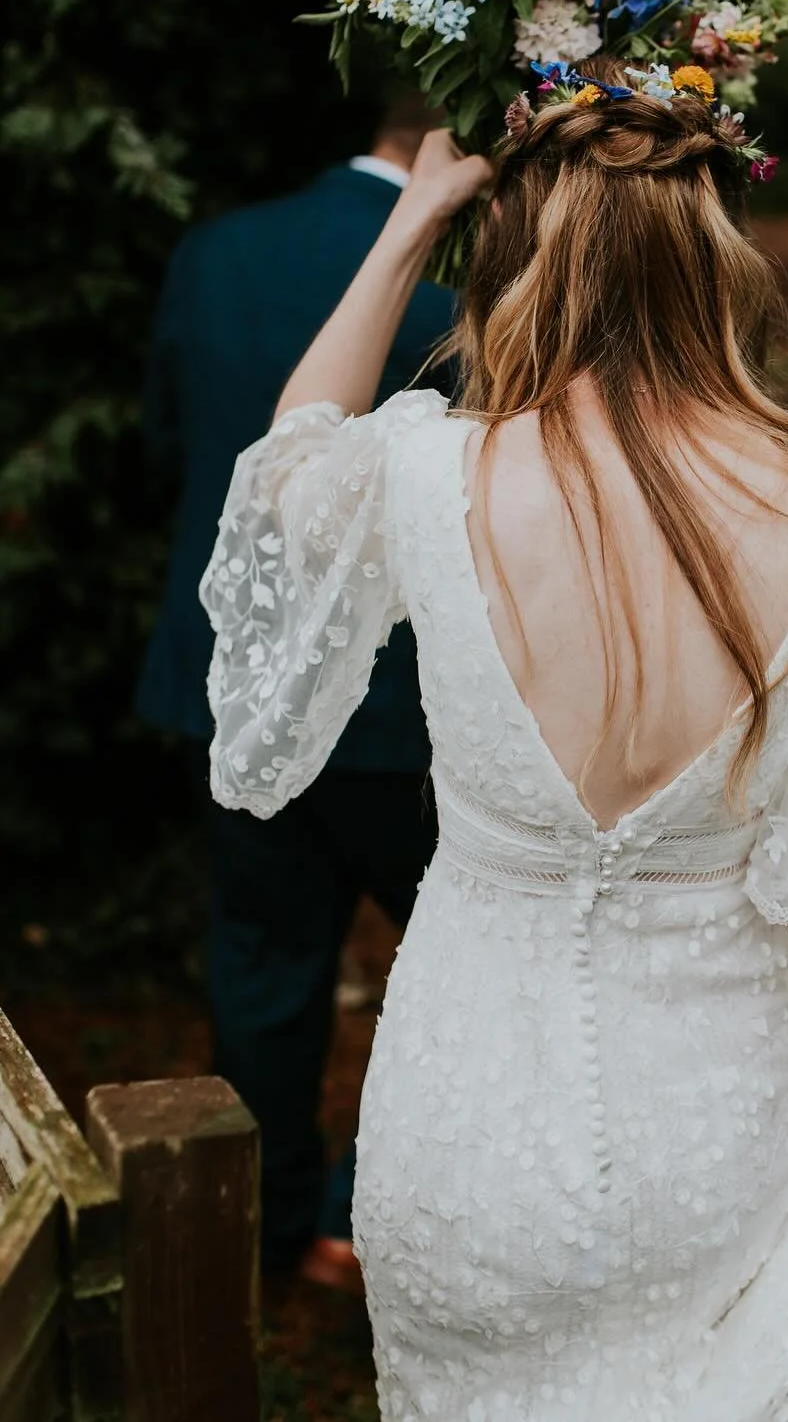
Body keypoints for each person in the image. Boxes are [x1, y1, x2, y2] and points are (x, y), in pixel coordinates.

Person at [202, 64, 788, 1418]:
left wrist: (410, 221)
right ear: (720, 259)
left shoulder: (431, 474)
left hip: (466, 1124)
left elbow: (291, 455)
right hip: (713, 1119)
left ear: (520, 254)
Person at [138, 95, 453, 1287]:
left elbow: (169, 446)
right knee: (457, 979)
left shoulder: (216, 251)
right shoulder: (496, 276)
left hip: (237, 688)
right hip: (416, 711)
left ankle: (265, 1240)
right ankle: (376, 1220)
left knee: (262, 969)